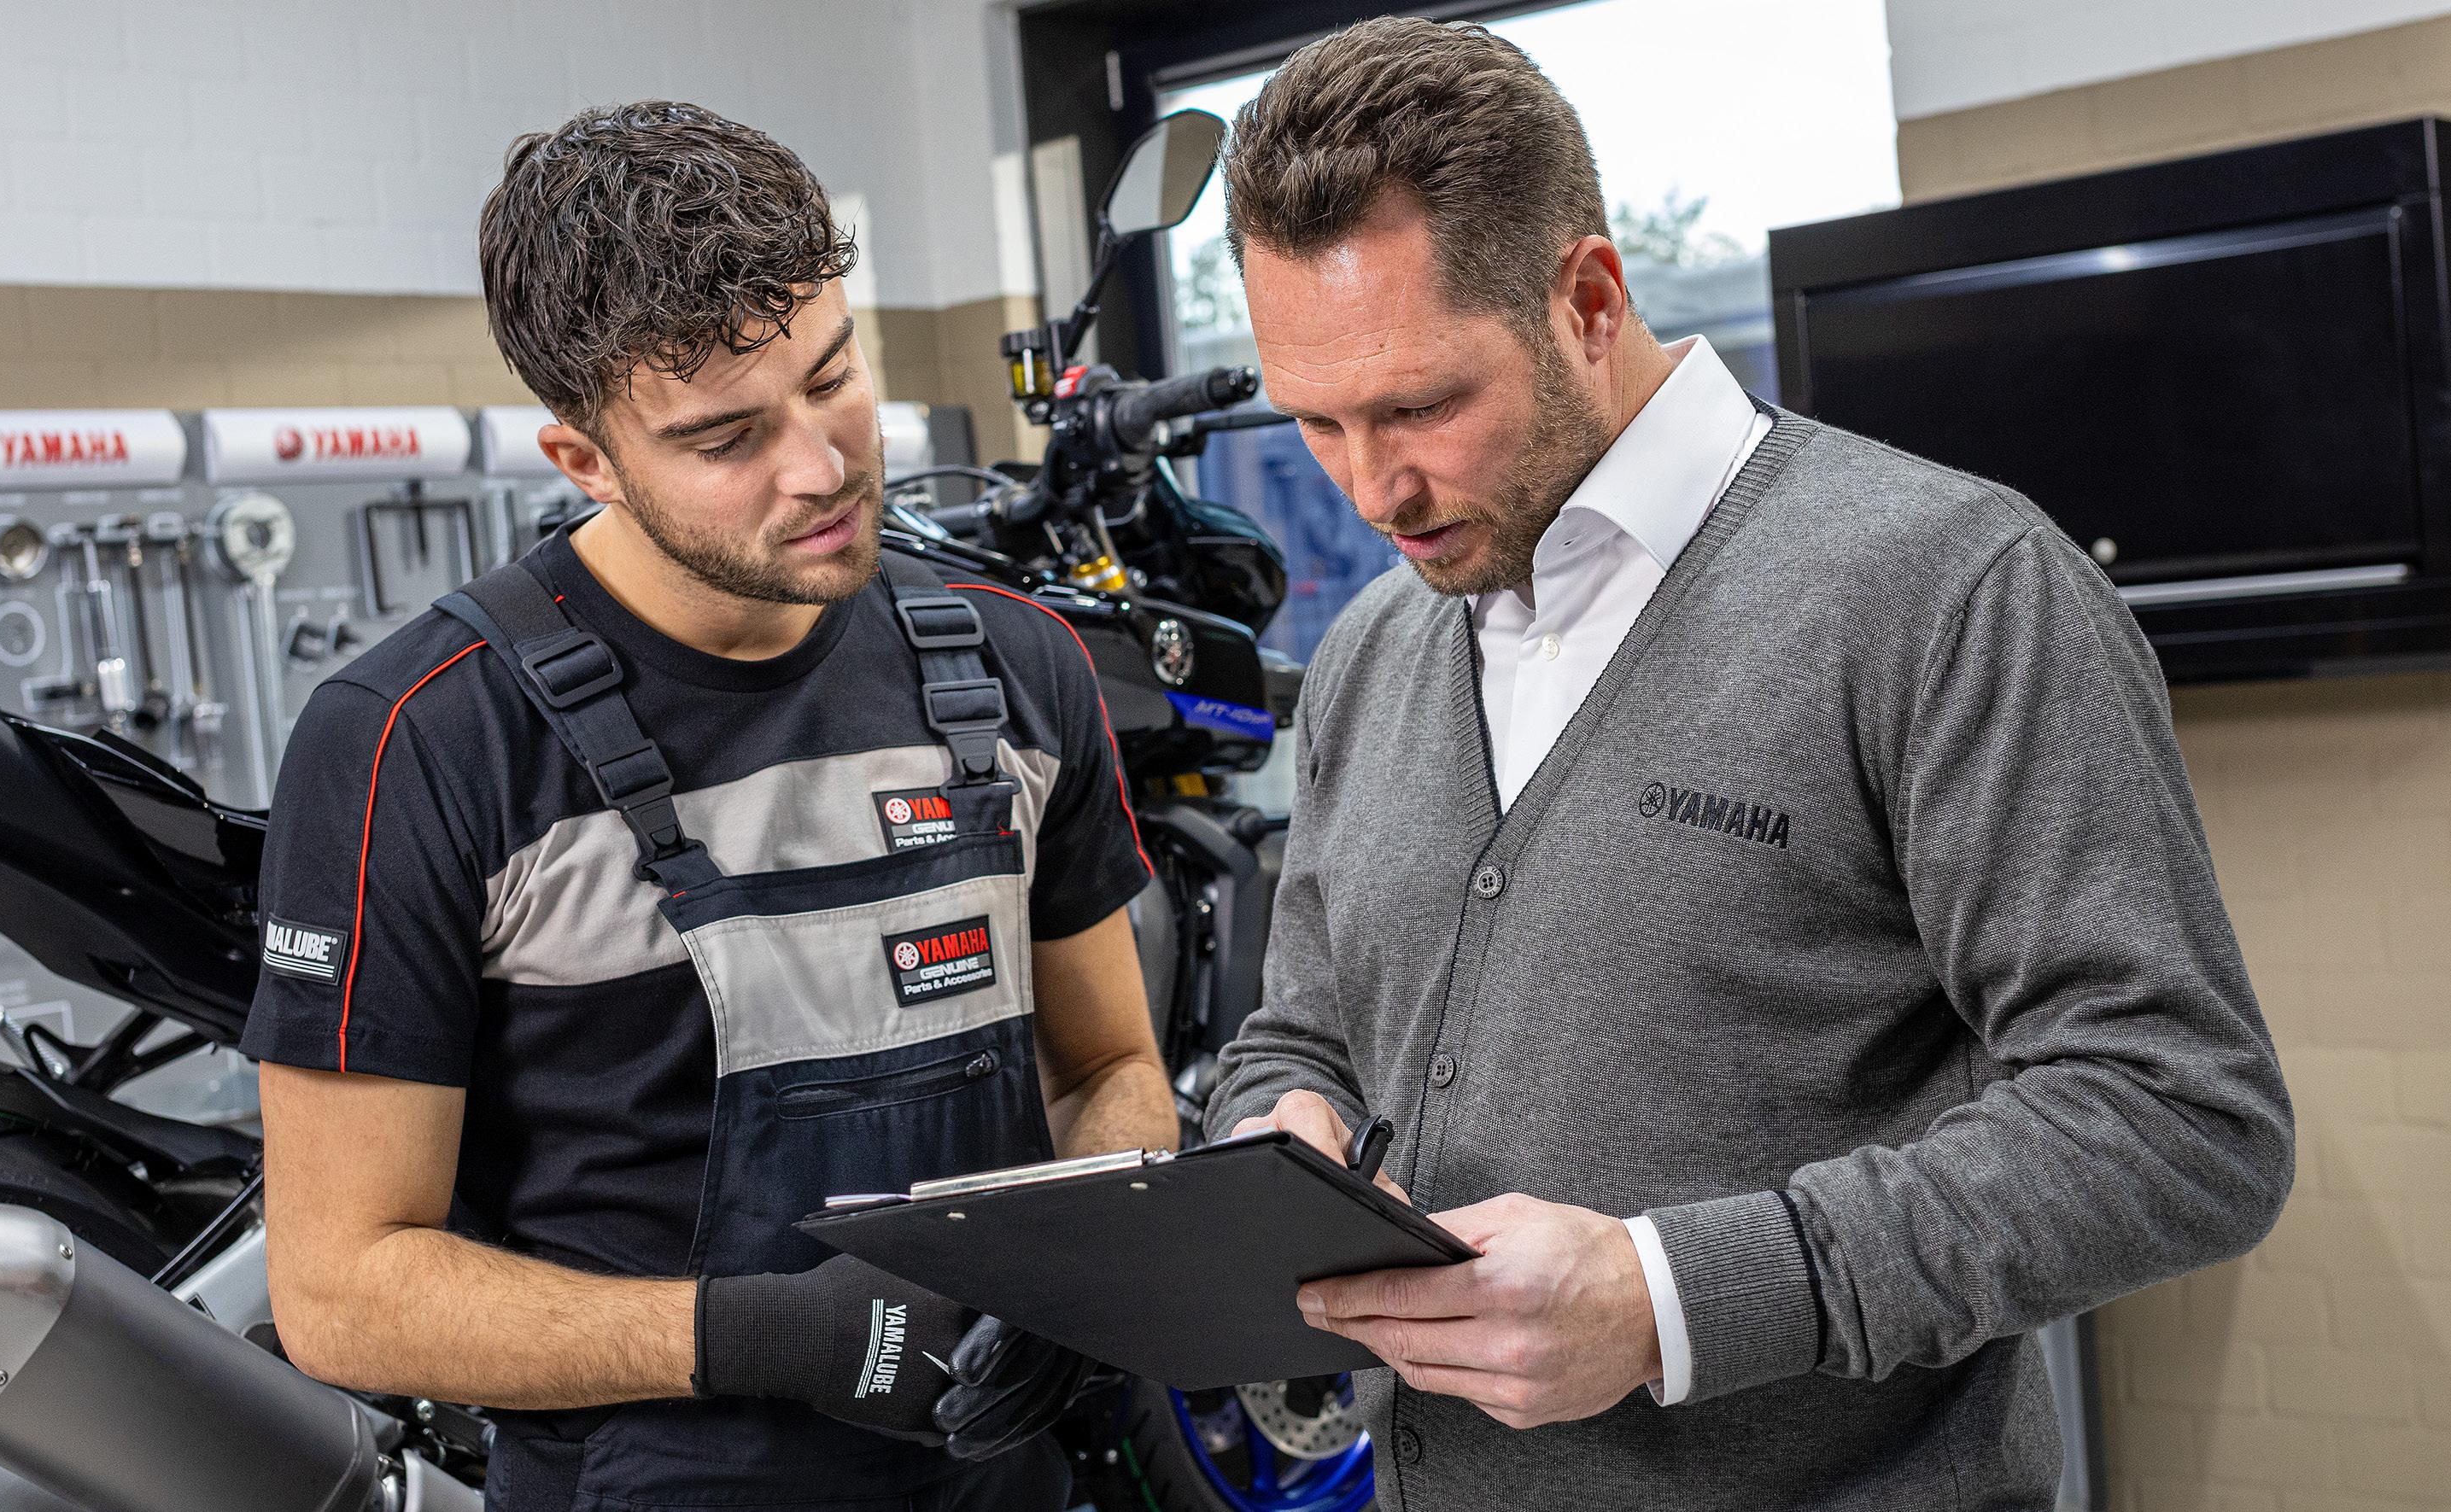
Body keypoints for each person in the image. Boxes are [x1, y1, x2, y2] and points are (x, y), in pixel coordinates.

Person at [1204, 18, 2294, 1509]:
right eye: (1315, 422)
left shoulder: (1944, 587)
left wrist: (1670, 1299)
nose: (1371, 488)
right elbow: (1304, 1033)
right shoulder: (1372, 651)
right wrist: (1276, 1132)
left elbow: (2180, 1122)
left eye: (1421, 406)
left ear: (1588, 299)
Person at [240, 102, 1173, 1510]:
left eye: (832, 376)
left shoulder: (1013, 663)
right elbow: (340, 1291)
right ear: (586, 462)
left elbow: (1106, 1070)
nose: (820, 467)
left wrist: (1082, 1262)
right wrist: (763, 1336)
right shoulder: (420, 741)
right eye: (725, 437)